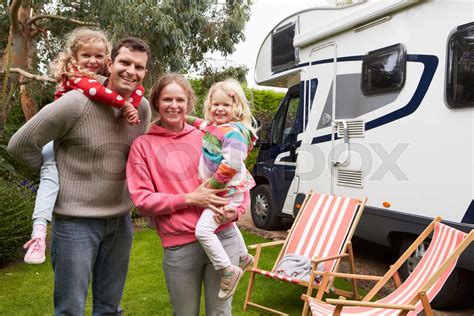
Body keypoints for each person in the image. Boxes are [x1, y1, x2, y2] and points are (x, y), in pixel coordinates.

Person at [8, 36, 151, 315]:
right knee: (70, 310)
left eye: (139, 66)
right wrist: (52, 169)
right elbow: (21, 144)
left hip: (120, 222)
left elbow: (136, 157)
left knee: (109, 308)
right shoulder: (76, 103)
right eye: (124, 62)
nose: (131, 71)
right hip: (76, 224)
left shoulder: (142, 108)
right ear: (110, 64)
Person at [126, 73, 247, 315]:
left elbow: (239, 176)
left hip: (222, 238)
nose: (173, 105)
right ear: (156, 103)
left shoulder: (208, 135)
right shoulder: (143, 145)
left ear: (189, 102)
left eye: (180, 100)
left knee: (220, 313)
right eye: (167, 99)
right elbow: (142, 201)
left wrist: (237, 211)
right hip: (180, 246)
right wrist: (190, 198)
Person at [22, 27, 144, 265]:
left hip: (117, 217)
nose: (92, 61)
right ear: (74, 57)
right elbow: (20, 145)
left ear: (107, 59)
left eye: (98, 56)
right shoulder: (77, 81)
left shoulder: (105, 83)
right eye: (86, 55)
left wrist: (131, 104)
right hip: (53, 144)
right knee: (50, 179)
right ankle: (38, 232)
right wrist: (56, 166)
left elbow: (136, 90)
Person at [186, 79, 257, 300]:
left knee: (203, 231)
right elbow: (199, 123)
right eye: (215, 104)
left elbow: (232, 165)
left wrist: (211, 187)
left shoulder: (234, 133)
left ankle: (228, 269)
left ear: (236, 108)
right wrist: (181, 117)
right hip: (225, 190)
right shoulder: (216, 127)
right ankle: (244, 256)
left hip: (224, 191)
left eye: (225, 105)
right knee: (227, 223)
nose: (219, 109)